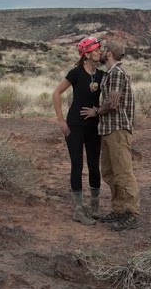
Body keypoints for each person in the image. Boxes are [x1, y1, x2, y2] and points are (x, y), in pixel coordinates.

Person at [81, 38, 139, 231]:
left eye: (105, 49)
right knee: (110, 172)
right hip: (108, 130)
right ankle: (119, 209)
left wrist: (96, 111)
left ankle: (131, 213)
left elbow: (112, 103)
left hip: (117, 129)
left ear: (110, 53)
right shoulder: (110, 74)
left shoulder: (116, 74)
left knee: (122, 173)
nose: (102, 51)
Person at [52, 36, 105, 224]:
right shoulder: (75, 73)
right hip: (74, 125)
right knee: (77, 164)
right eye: (97, 49)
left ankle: (95, 207)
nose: (100, 52)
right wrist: (60, 121)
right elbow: (56, 93)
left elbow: (107, 102)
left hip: (93, 126)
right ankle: (79, 209)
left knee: (93, 164)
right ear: (87, 54)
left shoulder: (101, 76)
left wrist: (97, 111)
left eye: (99, 49)